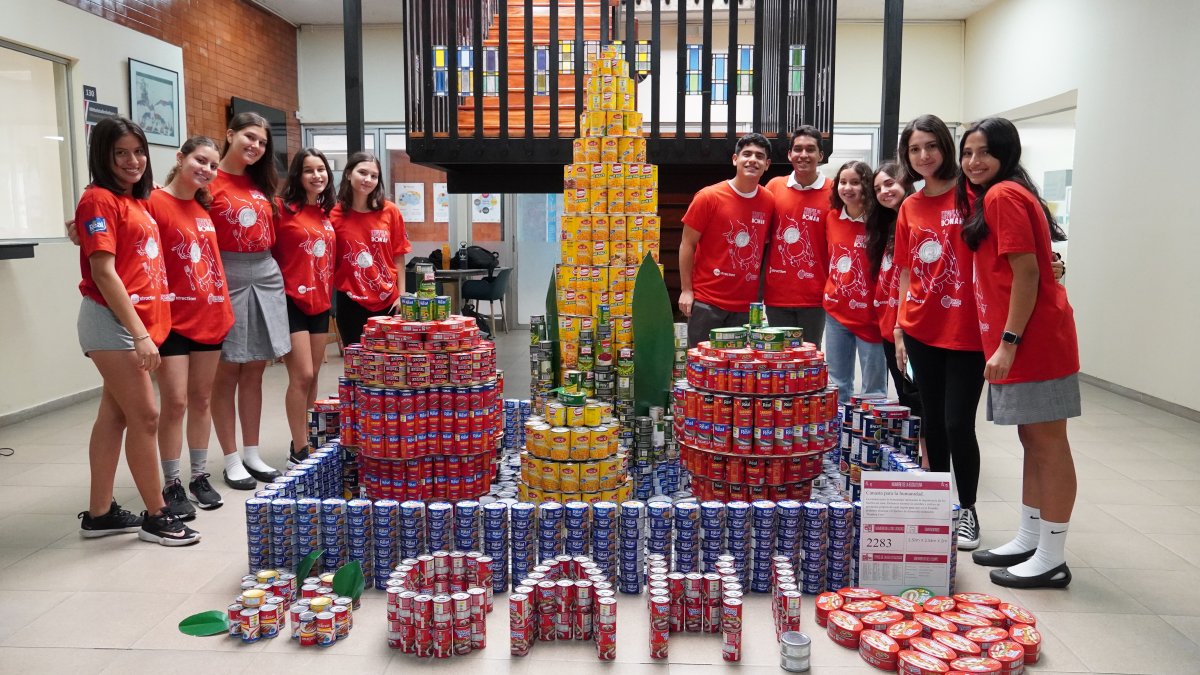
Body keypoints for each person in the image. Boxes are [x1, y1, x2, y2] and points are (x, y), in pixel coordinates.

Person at [959, 118, 1078, 589]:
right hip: (1024, 338)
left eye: (984, 151)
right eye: (967, 152)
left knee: (1049, 444)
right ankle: (1030, 537)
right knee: (1033, 441)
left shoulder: (1002, 196)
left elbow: (1027, 275)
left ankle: (1052, 555)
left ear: (1006, 153)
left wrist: (1008, 343)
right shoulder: (1000, 194)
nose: (973, 161)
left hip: (1034, 341)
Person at [73, 117, 200, 545]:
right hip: (113, 324)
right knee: (146, 416)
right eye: (120, 153)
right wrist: (140, 335)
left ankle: (100, 512)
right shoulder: (98, 199)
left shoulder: (134, 201)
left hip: (137, 323)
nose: (132, 161)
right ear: (103, 157)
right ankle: (156, 514)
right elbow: (104, 273)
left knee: (114, 417)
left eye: (139, 152)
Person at [893, 114, 986, 550]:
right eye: (915, 149)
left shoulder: (974, 195)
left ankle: (967, 509)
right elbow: (907, 270)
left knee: (957, 421)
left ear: (945, 147)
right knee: (931, 421)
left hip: (967, 330)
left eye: (931, 146)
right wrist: (898, 326)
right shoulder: (910, 206)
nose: (924, 155)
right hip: (920, 327)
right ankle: (936, 503)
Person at [150, 136, 234, 518]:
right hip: (171, 319)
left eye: (213, 165)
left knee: (201, 399)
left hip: (210, 314)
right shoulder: (153, 202)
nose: (207, 170)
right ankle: (171, 482)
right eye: (201, 160)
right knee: (177, 402)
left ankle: (199, 475)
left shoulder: (204, 207)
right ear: (181, 157)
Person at [209, 112, 291, 489]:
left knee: (256, 367)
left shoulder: (262, 183)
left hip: (265, 272)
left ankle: (252, 451)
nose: (255, 145)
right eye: (249, 137)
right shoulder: (209, 179)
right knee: (227, 370)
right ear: (230, 134)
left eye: (261, 141)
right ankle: (229, 458)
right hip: (227, 273)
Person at [678, 132, 776, 347]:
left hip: (747, 308)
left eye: (759, 156)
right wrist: (686, 290)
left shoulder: (769, 201)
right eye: (746, 154)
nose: (753, 160)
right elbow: (687, 244)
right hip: (708, 301)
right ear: (735, 159)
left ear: (767, 164)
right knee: (704, 368)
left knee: (738, 373)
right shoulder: (708, 197)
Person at [273, 149, 337, 467]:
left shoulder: (327, 214)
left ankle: (306, 437)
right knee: (302, 375)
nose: (316, 176)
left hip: (320, 302)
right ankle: (298, 449)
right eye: (309, 170)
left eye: (321, 169)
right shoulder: (282, 209)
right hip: (290, 300)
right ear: (298, 175)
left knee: (313, 378)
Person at [867, 161, 925, 463]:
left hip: (914, 323)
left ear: (906, 182)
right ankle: (913, 458)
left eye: (889, 183)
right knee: (905, 393)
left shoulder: (919, 219)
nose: (884, 191)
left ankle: (929, 464)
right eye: (878, 188)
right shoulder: (884, 226)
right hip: (889, 323)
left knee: (919, 396)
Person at [822, 160, 885, 404]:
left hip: (871, 315)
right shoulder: (832, 218)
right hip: (836, 312)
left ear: (867, 186)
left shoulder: (880, 222)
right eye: (843, 182)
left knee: (874, 388)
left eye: (855, 182)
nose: (848, 188)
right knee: (838, 383)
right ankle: (840, 436)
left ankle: (871, 438)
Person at [332, 152, 412, 346]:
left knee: (389, 365)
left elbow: (398, 256)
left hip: (388, 302)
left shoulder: (390, 211)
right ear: (349, 174)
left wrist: (402, 295)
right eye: (362, 172)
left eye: (374, 176)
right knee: (357, 364)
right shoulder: (332, 214)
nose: (368, 179)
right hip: (350, 302)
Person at [763, 126, 832, 347]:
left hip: (814, 297)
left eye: (810, 149)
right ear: (789, 154)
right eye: (798, 149)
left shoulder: (834, 192)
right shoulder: (774, 186)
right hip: (776, 296)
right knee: (778, 360)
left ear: (820, 155)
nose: (804, 155)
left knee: (809, 361)